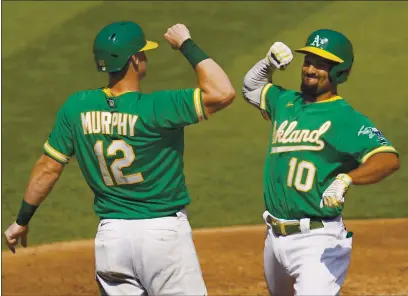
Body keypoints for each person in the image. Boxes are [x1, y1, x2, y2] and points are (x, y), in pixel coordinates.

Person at [4, 21, 235, 296]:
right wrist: (186, 43)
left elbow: (47, 168)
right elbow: (223, 92)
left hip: (111, 241)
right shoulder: (157, 108)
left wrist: (21, 220)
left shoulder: (77, 107)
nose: (146, 57)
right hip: (162, 236)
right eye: (143, 53)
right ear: (134, 60)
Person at [242, 29, 400, 295]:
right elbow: (251, 87)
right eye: (308, 62)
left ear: (340, 72)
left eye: (322, 65)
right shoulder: (284, 102)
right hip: (274, 238)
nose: (310, 69)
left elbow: (388, 158)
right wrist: (267, 63)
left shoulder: (345, 117)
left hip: (318, 241)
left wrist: (347, 178)